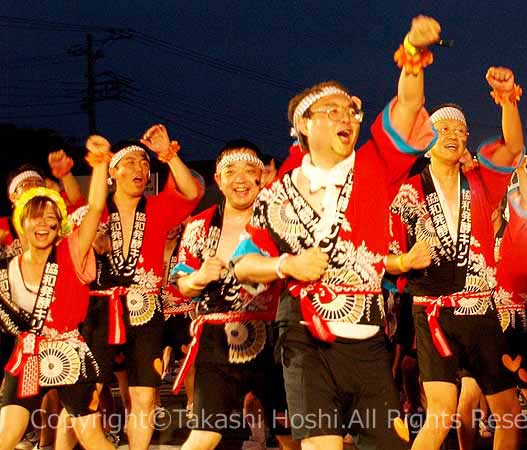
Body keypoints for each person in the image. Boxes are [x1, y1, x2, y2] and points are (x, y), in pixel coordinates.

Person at [234, 15, 440, 450]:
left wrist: (413, 59)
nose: (346, 116)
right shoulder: (278, 193)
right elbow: (244, 262)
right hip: (303, 339)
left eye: (351, 110)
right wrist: (287, 263)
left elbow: (405, 109)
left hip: (367, 344)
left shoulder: (374, 165)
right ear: (305, 125)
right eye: (332, 111)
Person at [388, 64, 525, 450]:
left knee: (508, 412)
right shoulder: (407, 192)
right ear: (427, 141)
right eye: (441, 129)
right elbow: (384, 254)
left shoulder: (482, 181)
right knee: (442, 413)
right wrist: (401, 262)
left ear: (466, 141)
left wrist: (508, 100)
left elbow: (513, 147)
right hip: (433, 312)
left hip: (480, 310)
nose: (451, 134)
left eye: (458, 130)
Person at [69, 124, 202, 450]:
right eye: (129, 163)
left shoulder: (157, 208)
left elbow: (191, 193)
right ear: (112, 171)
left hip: (146, 309)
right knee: (88, 398)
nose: (139, 169)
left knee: (144, 396)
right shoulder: (90, 213)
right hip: (99, 310)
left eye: (144, 163)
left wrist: (168, 156)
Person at [0, 135, 114, 450]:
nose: (45, 224)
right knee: (5, 435)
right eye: (37, 217)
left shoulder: (71, 250)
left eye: (52, 219)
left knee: (92, 437)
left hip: (69, 355)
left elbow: (95, 208)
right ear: (21, 220)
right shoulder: (6, 264)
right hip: (29, 355)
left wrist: (101, 164)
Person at [174, 140, 282, 450]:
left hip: (273, 336)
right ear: (219, 181)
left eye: (250, 172)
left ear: (261, 178)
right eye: (231, 172)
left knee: (292, 432)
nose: (241, 179)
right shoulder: (200, 224)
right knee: (205, 434)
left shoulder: (278, 219)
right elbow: (182, 285)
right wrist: (200, 276)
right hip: (216, 339)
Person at [456, 158, 527, 450]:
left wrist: (519, 168)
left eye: (495, 196)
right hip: (479, 322)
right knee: (466, 396)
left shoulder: (515, 230)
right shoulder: (467, 235)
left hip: (515, 325)